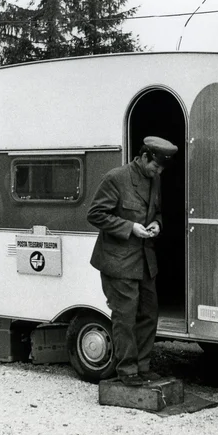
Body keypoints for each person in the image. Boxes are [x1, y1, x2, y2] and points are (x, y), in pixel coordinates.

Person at [87, 136, 178, 387]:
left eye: (161, 169)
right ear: (145, 157)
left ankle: (143, 366)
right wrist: (130, 227)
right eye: (155, 166)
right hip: (118, 261)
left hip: (145, 260)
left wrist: (156, 224)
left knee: (149, 313)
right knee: (125, 317)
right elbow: (94, 214)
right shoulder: (116, 178)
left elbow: (157, 211)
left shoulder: (154, 179)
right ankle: (127, 370)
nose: (158, 172)